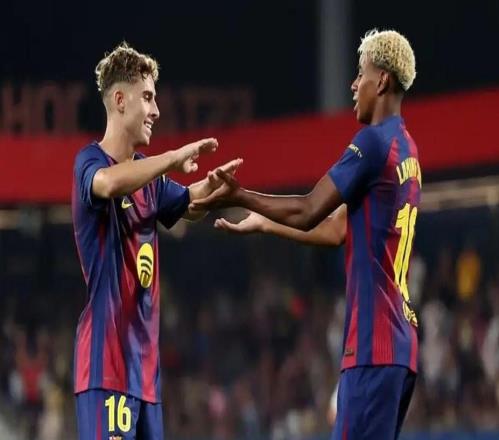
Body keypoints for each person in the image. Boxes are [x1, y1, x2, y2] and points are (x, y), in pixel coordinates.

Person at [191, 29, 420, 439]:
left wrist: (240, 195)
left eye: (361, 73)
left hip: (373, 344)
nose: (354, 84)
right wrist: (267, 223)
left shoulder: (372, 142)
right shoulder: (407, 150)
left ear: (382, 80)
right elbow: (336, 229)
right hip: (401, 344)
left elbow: (310, 209)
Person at [72, 42, 241, 440]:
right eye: (147, 97)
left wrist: (214, 188)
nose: (156, 110)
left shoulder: (151, 180)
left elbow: (188, 204)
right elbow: (107, 184)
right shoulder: (90, 162)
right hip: (106, 367)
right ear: (119, 100)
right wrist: (172, 158)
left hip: (145, 378)